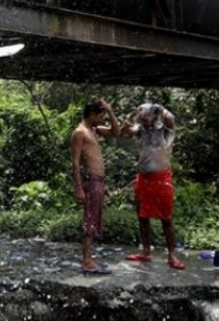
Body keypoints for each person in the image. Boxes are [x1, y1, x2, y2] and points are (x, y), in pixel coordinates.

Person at [121, 103, 186, 270]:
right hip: (143, 179)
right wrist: (132, 114)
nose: (143, 121)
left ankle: (171, 255)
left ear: (153, 116)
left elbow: (170, 118)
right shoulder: (141, 130)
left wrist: (157, 107)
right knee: (142, 217)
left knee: (166, 219)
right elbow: (124, 131)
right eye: (141, 119)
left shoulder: (164, 130)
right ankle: (146, 252)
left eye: (145, 118)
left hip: (162, 179)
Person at [71, 98, 120, 275]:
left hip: (98, 180)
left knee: (94, 218)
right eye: (100, 116)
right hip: (89, 180)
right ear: (92, 115)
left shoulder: (94, 130)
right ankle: (86, 260)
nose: (101, 119)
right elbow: (75, 163)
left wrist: (110, 110)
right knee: (90, 219)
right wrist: (78, 188)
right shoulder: (80, 133)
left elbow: (116, 132)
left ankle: (89, 258)